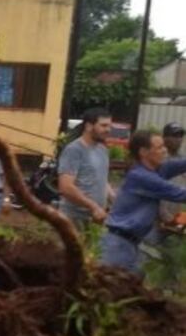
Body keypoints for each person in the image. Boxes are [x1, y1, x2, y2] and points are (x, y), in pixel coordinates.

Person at [100, 129, 186, 274]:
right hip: (118, 245)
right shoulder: (141, 177)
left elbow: (181, 164)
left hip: (130, 243)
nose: (165, 151)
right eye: (159, 148)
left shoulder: (156, 169)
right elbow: (180, 194)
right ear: (144, 152)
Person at [58, 108, 114, 227]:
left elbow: (102, 180)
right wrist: (93, 206)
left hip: (95, 219)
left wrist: (113, 199)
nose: (108, 130)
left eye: (109, 126)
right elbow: (66, 187)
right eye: (103, 125)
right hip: (73, 219)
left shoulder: (103, 150)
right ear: (89, 126)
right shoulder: (74, 150)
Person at [158, 122, 186, 229]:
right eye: (174, 136)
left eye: (180, 136)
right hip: (155, 221)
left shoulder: (182, 160)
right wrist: (163, 214)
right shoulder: (158, 159)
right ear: (164, 137)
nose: (178, 139)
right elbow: (154, 189)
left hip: (175, 220)